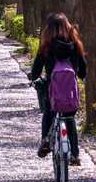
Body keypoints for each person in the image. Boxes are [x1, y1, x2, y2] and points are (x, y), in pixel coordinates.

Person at [30, 12, 86, 166]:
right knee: (70, 119)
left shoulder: (46, 46)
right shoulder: (75, 44)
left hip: (52, 91)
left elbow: (36, 69)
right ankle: (74, 154)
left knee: (48, 113)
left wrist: (33, 77)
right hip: (70, 92)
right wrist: (80, 75)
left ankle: (45, 140)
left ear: (48, 28)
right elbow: (83, 69)